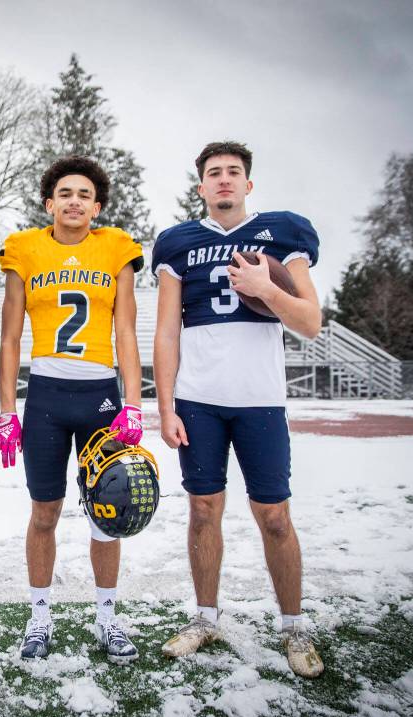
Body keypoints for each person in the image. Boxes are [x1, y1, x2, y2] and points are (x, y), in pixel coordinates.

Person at [152, 141, 324, 678]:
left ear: (248, 184)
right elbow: (165, 329)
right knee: (203, 510)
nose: (223, 180)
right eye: (213, 173)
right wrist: (164, 406)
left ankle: (294, 624)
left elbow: (311, 322)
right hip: (199, 400)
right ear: (200, 186)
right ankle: (205, 617)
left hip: (260, 400)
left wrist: (263, 288)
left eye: (233, 173)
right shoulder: (178, 242)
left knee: (274, 517)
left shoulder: (285, 232)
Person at [0, 156, 145, 664]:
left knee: (109, 512)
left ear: (96, 206)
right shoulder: (25, 250)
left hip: (101, 396)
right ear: (49, 203)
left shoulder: (116, 249)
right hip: (46, 397)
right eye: (65, 193)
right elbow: (10, 336)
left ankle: (107, 618)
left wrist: (135, 403)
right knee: (44, 512)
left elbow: (125, 331)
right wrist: (6, 409)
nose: (74, 200)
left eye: (84, 194)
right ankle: (39, 619)